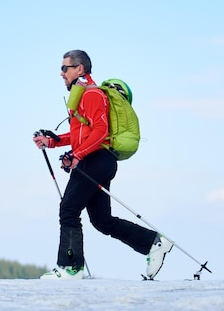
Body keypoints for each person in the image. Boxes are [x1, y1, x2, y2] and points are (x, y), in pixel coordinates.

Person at [32, 50, 173, 280]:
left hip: (96, 160)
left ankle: (70, 268)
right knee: (102, 221)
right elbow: (82, 135)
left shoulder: (92, 94)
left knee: (68, 209)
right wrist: (53, 141)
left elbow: (101, 131)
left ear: (80, 69)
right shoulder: (81, 96)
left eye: (65, 68)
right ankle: (154, 243)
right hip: (98, 160)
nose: (61, 73)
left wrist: (79, 155)